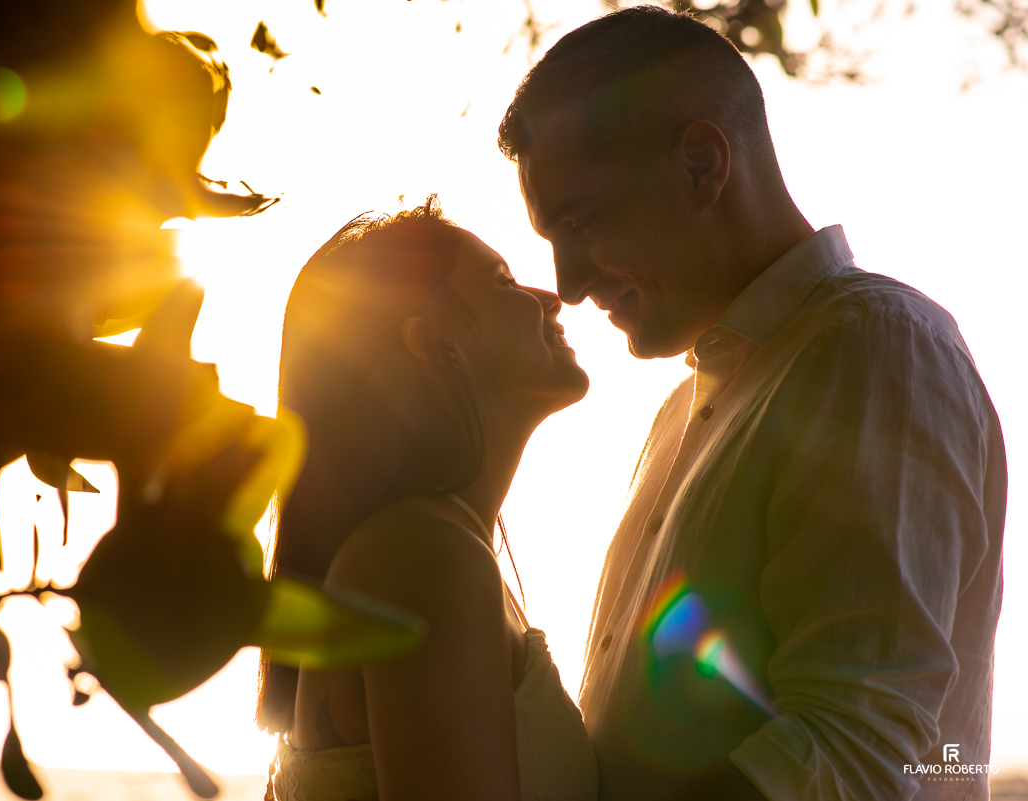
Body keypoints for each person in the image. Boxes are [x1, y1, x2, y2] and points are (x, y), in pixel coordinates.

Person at [498, 7, 1005, 801]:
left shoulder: (875, 348)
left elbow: (852, 753)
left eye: (581, 221)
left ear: (701, 167)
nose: (567, 283)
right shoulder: (685, 413)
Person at [256, 198, 598, 801]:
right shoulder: (424, 558)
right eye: (504, 281)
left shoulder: (429, 549)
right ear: (437, 342)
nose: (550, 297)